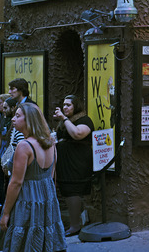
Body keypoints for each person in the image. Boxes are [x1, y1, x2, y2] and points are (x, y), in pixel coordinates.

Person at [0, 103, 66, 251]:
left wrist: (5, 213)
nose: (13, 119)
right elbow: (51, 175)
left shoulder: (24, 146)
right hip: (47, 197)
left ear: (29, 120)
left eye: (18, 116)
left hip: (27, 199)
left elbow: (16, 182)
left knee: (25, 243)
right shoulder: (50, 142)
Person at [52, 94, 93, 237]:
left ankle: (76, 225)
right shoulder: (67, 121)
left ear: (77, 106)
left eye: (68, 105)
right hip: (66, 163)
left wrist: (64, 118)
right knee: (68, 191)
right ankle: (76, 223)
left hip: (78, 163)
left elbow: (77, 134)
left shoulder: (84, 120)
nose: (65, 107)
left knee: (73, 191)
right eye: (63, 105)